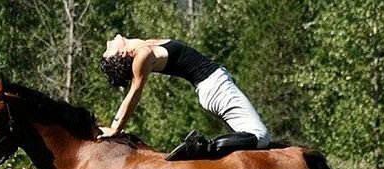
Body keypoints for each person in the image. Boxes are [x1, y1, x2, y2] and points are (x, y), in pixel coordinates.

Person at [99, 34, 271, 160]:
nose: (108, 42)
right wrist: (116, 129)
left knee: (246, 141)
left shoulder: (142, 46)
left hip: (214, 86)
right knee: (260, 136)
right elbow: (134, 93)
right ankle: (202, 147)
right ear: (120, 55)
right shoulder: (142, 55)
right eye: (108, 50)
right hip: (216, 87)